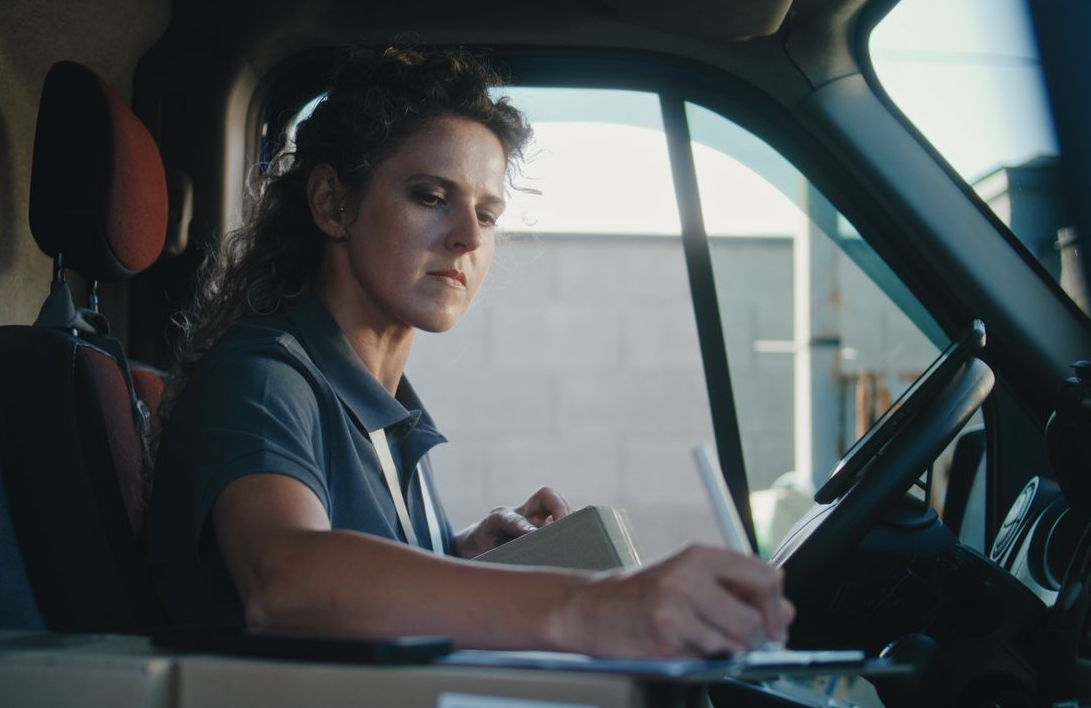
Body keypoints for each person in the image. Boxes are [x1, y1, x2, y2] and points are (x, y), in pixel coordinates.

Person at [145, 45, 791, 658]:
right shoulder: (264, 378)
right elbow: (287, 583)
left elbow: (351, 571)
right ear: (333, 203)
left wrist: (458, 554)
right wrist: (594, 604)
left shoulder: (386, 411)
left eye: (486, 214)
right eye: (430, 196)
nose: (466, 237)